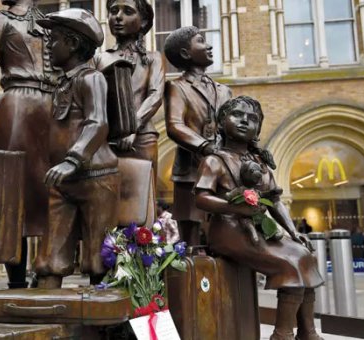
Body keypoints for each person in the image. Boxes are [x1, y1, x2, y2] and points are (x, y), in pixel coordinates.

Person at [194, 96, 324, 340]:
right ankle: (282, 334)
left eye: (252, 119)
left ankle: (307, 331)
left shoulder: (259, 162)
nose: (244, 121)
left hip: (258, 229)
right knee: (289, 263)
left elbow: (274, 200)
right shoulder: (215, 160)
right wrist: (235, 209)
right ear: (222, 122)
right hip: (228, 232)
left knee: (305, 256)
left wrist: (293, 232)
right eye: (237, 115)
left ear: (258, 129)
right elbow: (201, 198)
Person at [0, 0, 59, 289]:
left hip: (54, 108)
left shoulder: (51, 24)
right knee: (13, 195)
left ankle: (48, 276)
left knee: (53, 193)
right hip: (16, 105)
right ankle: (16, 282)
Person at [34, 9, 120, 288]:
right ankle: (47, 306)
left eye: (54, 40)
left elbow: (97, 123)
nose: (48, 46)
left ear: (72, 44)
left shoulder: (91, 78)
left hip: (95, 177)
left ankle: (102, 315)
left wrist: (72, 160)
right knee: (50, 254)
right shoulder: (61, 83)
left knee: (100, 254)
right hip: (63, 182)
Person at [163, 26, 232, 245]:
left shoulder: (224, 91)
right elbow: (174, 125)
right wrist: (205, 147)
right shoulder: (177, 87)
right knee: (189, 236)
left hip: (223, 170)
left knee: (227, 228)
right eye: (201, 41)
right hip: (190, 171)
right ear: (185, 53)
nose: (209, 45)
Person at [94, 0, 164, 173]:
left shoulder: (153, 58)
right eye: (114, 11)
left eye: (127, 11)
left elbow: (155, 96)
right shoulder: (99, 59)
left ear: (144, 21)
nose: (118, 17)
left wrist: (132, 128)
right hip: (106, 140)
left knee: (143, 194)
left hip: (142, 138)